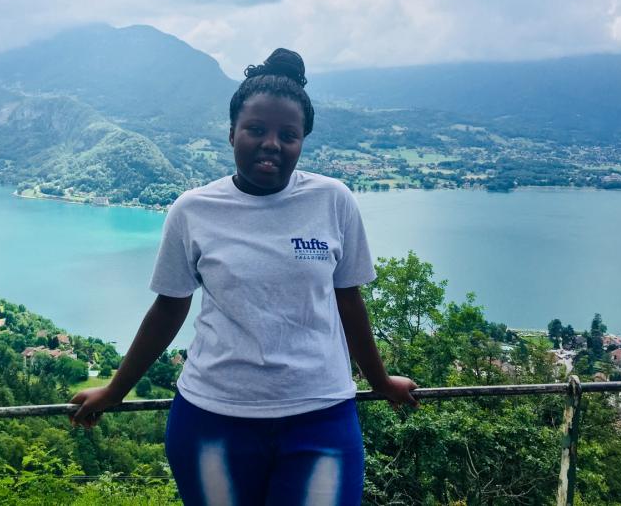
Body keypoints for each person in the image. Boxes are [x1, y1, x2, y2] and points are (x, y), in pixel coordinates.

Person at [69, 48, 418, 505]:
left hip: (321, 414)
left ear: (302, 141)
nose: (271, 143)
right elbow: (170, 307)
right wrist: (117, 389)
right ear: (232, 132)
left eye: (288, 134)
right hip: (213, 418)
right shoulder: (193, 210)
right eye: (256, 129)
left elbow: (348, 302)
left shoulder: (333, 201)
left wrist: (380, 381)